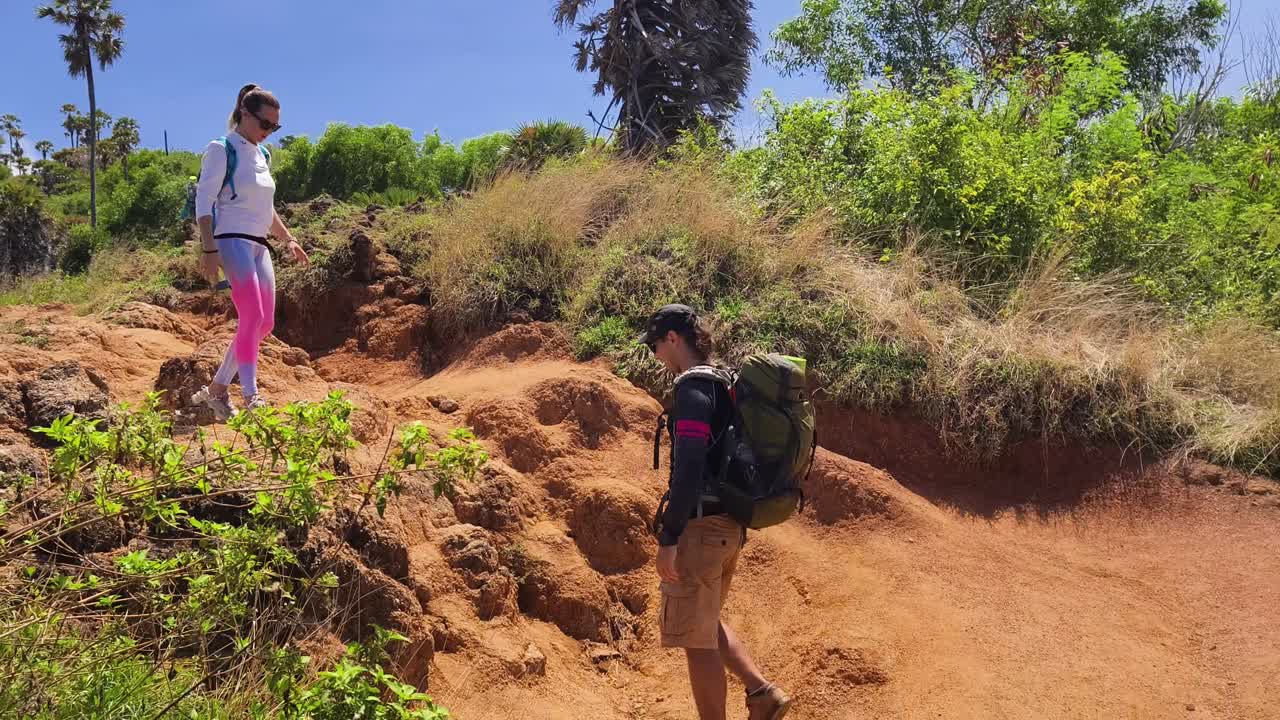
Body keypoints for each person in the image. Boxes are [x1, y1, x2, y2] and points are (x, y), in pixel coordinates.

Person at [640, 304, 792, 720]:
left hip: (701, 528)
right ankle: (762, 693)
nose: (654, 354)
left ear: (673, 338)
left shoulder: (691, 389)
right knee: (704, 622)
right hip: (728, 525)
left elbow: (687, 469)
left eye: (654, 344)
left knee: (696, 640)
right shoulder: (725, 383)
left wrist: (669, 539)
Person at [192, 83, 308, 420]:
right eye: (265, 124)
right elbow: (204, 201)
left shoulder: (262, 155)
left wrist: (288, 239)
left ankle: (216, 390)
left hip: (259, 245)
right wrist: (208, 248)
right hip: (231, 241)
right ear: (245, 113)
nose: (269, 132)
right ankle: (251, 397)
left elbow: (266, 208)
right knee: (251, 317)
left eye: (275, 127)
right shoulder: (221, 149)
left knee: (264, 323)